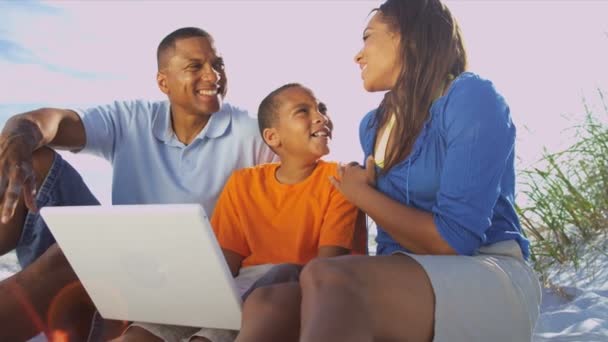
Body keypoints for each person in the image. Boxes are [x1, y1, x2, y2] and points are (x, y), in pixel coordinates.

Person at [235, 1, 542, 341]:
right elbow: (390, 246)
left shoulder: (470, 98)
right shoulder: (373, 126)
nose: (358, 55)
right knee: (271, 298)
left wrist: (363, 196)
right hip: (411, 278)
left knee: (331, 277)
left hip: (486, 272)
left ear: (407, 38)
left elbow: (454, 240)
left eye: (368, 37)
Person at [0, 27, 276, 341]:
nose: (214, 76)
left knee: (76, 255)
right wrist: (19, 136)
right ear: (163, 83)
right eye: (195, 67)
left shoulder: (252, 133)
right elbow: (55, 122)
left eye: (218, 64)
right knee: (32, 159)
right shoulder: (132, 119)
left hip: (190, 282)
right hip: (126, 261)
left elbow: (304, 185)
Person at [117, 83, 364, 342]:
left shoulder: (340, 179)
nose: (321, 118)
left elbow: (327, 268)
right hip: (240, 286)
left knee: (270, 280)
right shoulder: (243, 182)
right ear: (272, 137)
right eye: (303, 111)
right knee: (141, 333)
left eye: (322, 109)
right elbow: (225, 263)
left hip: (295, 285)